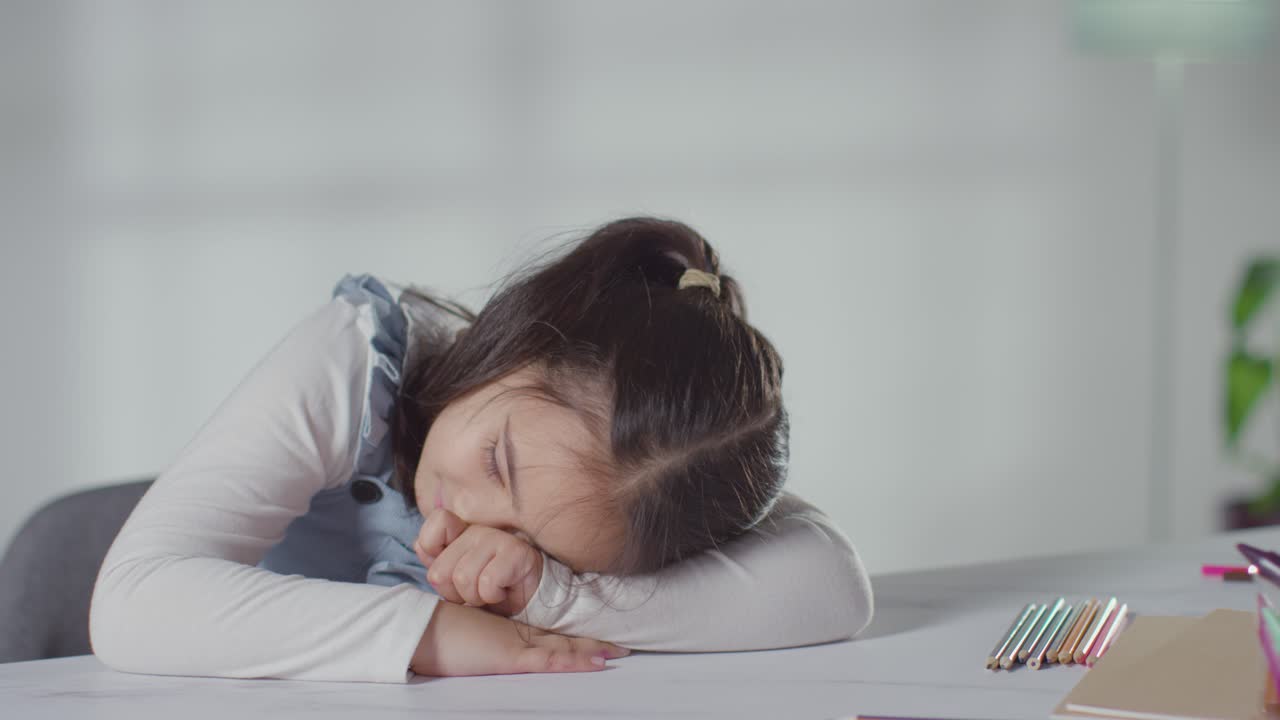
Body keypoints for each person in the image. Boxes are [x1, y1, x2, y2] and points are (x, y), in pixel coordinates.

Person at [88, 216, 873, 683]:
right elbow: (132, 604)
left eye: (531, 537)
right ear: (519, 341)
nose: (464, 521)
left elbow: (830, 588)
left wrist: (546, 592)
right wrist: (430, 634)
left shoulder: (653, 477)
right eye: (497, 462)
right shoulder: (355, 362)